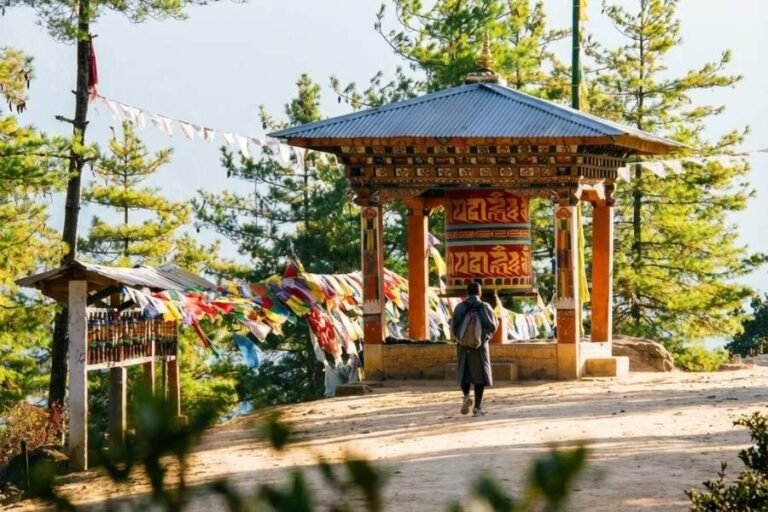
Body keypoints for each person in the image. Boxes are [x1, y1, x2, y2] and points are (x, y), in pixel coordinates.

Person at [451, 282, 498, 417]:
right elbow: (492, 326)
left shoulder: (460, 307)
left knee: (464, 373)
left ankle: (466, 397)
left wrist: (462, 339)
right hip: (479, 347)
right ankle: (477, 408)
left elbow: (454, 328)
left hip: (463, 346)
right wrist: (482, 338)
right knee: (480, 377)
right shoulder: (485, 306)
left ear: (467, 293)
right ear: (479, 293)